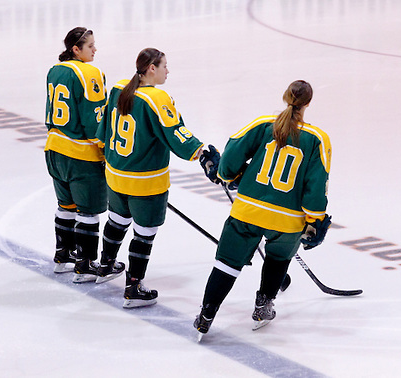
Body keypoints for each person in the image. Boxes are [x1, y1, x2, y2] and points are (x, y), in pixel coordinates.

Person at [194, 80, 332, 338]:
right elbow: (316, 185)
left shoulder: (263, 123)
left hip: (247, 210)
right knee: (279, 259)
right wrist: (315, 219)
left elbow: (233, 153)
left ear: (285, 98)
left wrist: (225, 173)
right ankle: (263, 307)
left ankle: (206, 313)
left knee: (227, 263)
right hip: (288, 220)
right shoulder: (318, 139)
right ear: (309, 103)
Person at [96, 47, 218, 308]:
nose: (167, 71)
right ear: (152, 68)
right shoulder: (156, 98)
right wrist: (203, 153)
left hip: (115, 175)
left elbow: (103, 129)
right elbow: (176, 133)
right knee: (144, 232)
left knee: (117, 220)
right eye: (164, 66)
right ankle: (133, 287)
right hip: (145, 182)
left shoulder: (119, 88)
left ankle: (105, 266)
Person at [44, 27, 125, 284]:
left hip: (54, 150)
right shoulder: (90, 72)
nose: (95, 50)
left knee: (66, 206)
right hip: (79, 155)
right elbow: (95, 117)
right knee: (88, 211)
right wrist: (105, 149)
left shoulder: (55, 70)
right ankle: (85, 265)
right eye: (90, 46)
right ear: (76, 49)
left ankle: (63, 255)